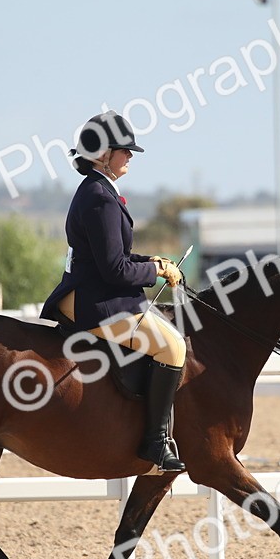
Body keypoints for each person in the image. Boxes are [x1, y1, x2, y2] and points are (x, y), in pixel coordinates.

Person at [40, 110, 186, 471]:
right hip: (98, 301)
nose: (131, 156)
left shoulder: (98, 190)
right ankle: (155, 441)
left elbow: (115, 256)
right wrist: (153, 271)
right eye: (125, 150)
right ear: (103, 154)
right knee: (174, 348)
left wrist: (153, 260)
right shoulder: (100, 197)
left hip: (90, 290)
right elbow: (115, 269)